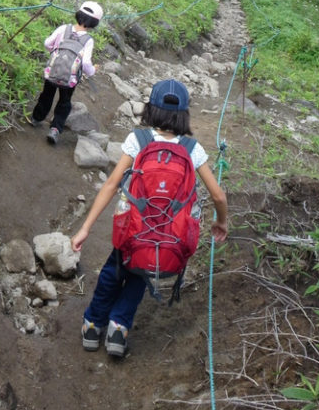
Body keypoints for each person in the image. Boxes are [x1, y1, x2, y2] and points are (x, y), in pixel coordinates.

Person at [71, 78, 229, 358]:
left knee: (114, 270)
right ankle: (118, 330)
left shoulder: (138, 140)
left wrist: (85, 228)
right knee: (141, 274)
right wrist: (221, 221)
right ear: (184, 114)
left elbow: (110, 186)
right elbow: (218, 196)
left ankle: (93, 326)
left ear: (151, 109)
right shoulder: (193, 150)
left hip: (131, 230)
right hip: (167, 235)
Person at [29, 0, 103, 145]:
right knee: (64, 102)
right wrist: (93, 70)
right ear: (95, 23)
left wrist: (54, 52)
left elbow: (47, 43)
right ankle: (55, 129)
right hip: (70, 78)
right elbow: (86, 63)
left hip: (52, 71)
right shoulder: (88, 40)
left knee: (46, 95)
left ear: (78, 14)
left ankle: (36, 118)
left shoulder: (64, 28)